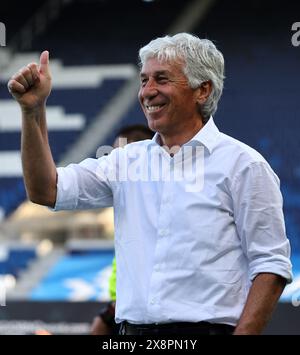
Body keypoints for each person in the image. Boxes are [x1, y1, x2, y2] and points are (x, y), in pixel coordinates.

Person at [8, 33, 292, 335]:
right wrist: (32, 110)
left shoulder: (244, 166)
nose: (147, 91)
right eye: (144, 80)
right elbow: (45, 190)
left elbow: (270, 265)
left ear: (203, 90)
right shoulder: (124, 161)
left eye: (162, 79)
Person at [91, 125, 154, 335]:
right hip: (124, 309)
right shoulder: (127, 201)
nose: (114, 162)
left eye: (121, 154)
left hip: (143, 313)